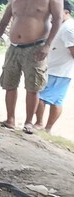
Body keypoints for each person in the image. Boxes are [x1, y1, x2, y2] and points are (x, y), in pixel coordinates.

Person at [0, 0, 64, 134]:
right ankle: (10, 119)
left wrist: (47, 45)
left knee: (33, 86)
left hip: (36, 46)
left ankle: (29, 122)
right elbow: (4, 21)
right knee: (9, 84)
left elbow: (58, 20)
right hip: (14, 46)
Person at [35, 0, 74, 133]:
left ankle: (40, 124)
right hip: (57, 69)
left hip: (58, 70)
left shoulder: (69, 28)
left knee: (40, 96)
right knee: (56, 100)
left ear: (66, 12)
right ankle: (46, 128)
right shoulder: (63, 26)